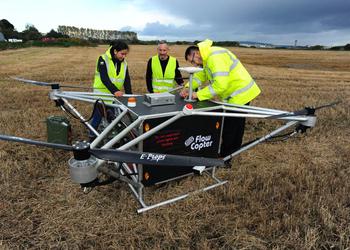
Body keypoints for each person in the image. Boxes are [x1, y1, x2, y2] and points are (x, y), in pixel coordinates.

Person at [181, 39, 261, 163]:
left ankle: (225, 157)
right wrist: (187, 88)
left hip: (240, 94)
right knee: (236, 125)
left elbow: (220, 85)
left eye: (192, 61)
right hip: (237, 95)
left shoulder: (214, 57)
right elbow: (200, 76)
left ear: (196, 53)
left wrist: (198, 94)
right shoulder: (207, 58)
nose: (195, 64)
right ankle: (233, 152)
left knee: (231, 127)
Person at [90, 40, 132, 139]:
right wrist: (115, 91)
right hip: (101, 95)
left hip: (113, 97)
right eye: (122, 54)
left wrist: (130, 95)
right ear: (115, 51)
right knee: (97, 117)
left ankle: (110, 137)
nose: (124, 56)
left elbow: (127, 79)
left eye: (125, 54)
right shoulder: (103, 59)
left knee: (112, 118)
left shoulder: (124, 63)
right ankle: (91, 137)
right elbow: (104, 78)